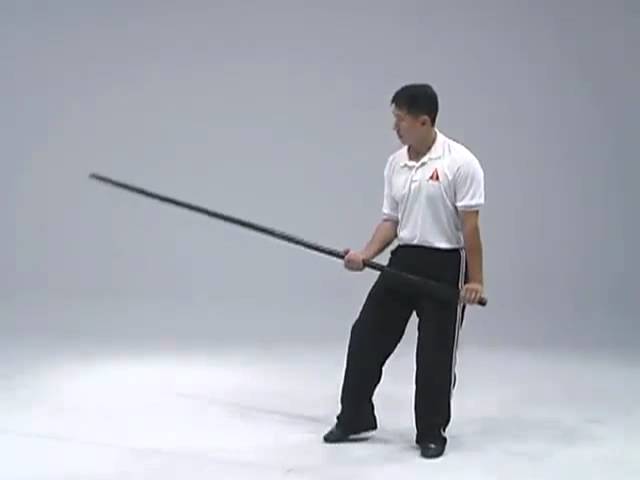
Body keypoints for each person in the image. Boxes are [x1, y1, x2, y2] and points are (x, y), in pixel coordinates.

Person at [323, 83, 485, 459]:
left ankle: (431, 431)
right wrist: (364, 255)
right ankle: (356, 417)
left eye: (400, 120)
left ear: (424, 121)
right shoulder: (396, 163)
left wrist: (476, 280)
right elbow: (391, 221)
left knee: (434, 356)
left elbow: (471, 228)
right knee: (365, 337)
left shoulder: (461, 163)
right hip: (405, 259)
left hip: (446, 264)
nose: (394, 127)